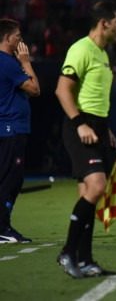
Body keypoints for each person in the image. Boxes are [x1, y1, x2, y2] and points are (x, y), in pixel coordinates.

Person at [55, 0, 116, 278]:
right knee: (97, 186)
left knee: (89, 194)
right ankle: (68, 252)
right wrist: (81, 124)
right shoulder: (81, 49)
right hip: (79, 126)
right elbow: (62, 90)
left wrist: (104, 128)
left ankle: (86, 260)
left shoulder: (103, 53)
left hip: (97, 126)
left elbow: (95, 96)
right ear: (103, 23)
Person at [0, 19, 40, 243]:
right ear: (6, 38)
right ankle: (2, 228)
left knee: (6, 177)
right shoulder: (8, 62)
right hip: (11, 128)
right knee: (11, 179)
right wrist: (26, 61)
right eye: (17, 36)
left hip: (5, 128)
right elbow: (35, 88)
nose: (21, 40)